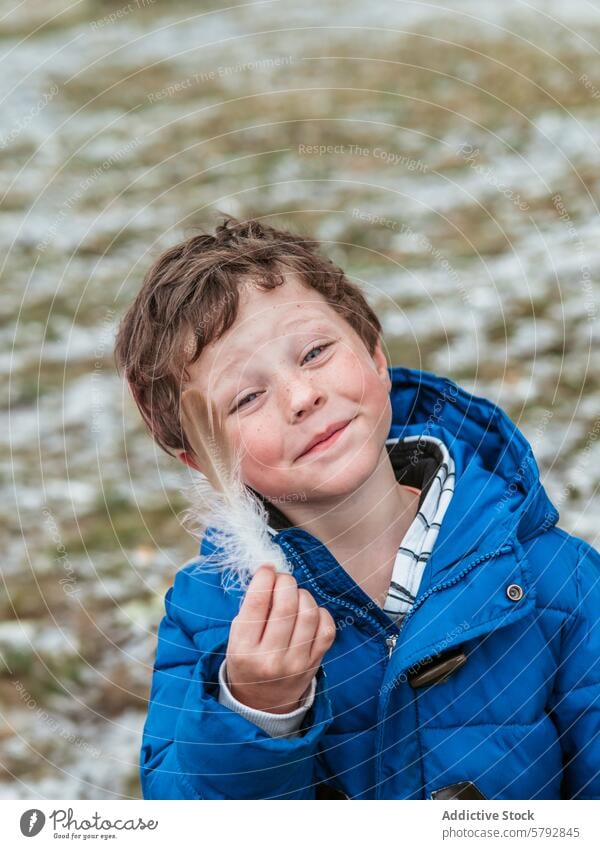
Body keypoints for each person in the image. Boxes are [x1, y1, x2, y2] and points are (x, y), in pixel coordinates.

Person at [114, 216, 600, 799]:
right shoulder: (212, 622)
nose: (301, 396)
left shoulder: (556, 580)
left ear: (374, 355)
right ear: (203, 460)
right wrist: (258, 711)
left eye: (316, 352)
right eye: (247, 396)